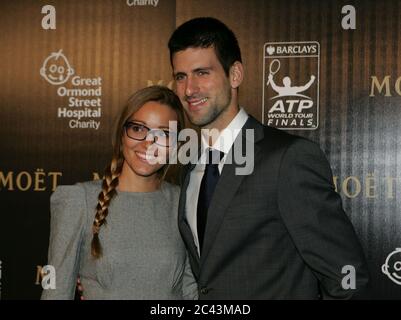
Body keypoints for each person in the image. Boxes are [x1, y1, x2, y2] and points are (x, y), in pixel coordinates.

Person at [168, 17, 370, 299]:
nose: (189, 89)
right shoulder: (190, 167)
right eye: (181, 76)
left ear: (235, 74)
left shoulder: (288, 159)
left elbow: (348, 279)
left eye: (202, 73)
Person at [41, 86, 198, 300]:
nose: (148, 143)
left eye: (164, 134)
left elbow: (190, 291)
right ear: (122, 133)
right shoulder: (79, 201)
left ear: (176, 144)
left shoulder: (185, 202)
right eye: (138, 129)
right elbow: (55, 292)